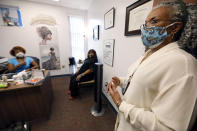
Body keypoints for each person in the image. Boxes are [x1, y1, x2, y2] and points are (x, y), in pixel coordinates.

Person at [107, 1, 197, 131]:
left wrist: (121, 104)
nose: (146, 28)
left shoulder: (183, 63)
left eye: (154, 22)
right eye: (146, 23)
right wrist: (121, 81)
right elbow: (144, 84)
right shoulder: (150, 53)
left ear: (175, 27)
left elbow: (167, 128)